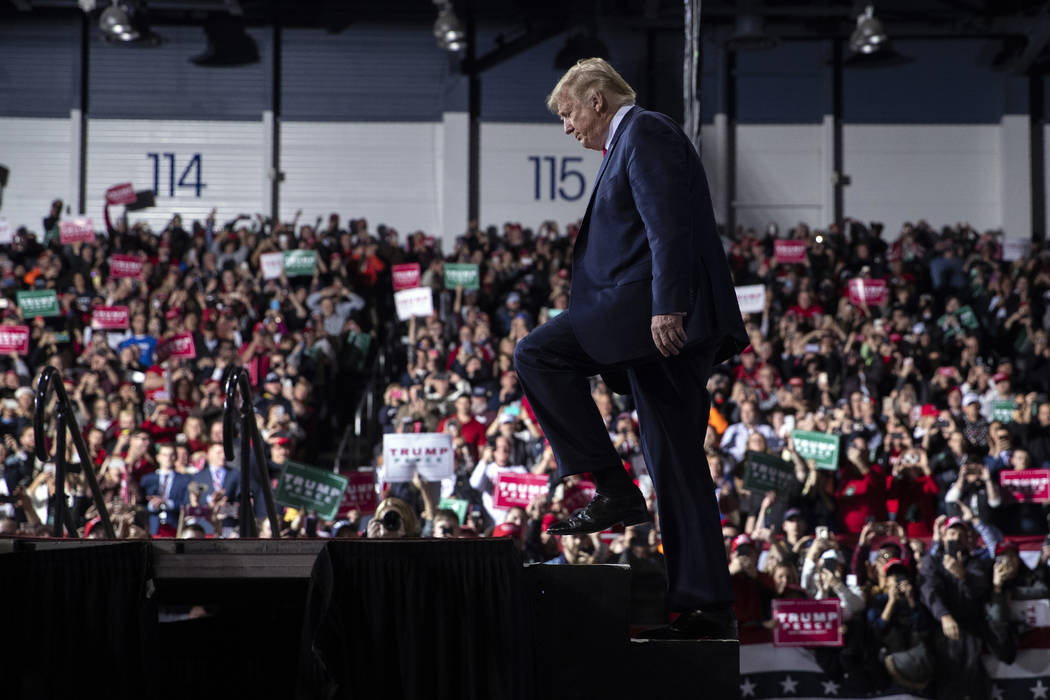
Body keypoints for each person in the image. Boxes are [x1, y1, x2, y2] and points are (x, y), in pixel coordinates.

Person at [514, 58, 748, 640]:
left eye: (567, 114)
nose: (567, 128)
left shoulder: (644, 131)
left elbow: (669, 225)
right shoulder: (633, 140)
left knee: (537, 354)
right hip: (642, 324)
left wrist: (668, 305)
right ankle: (703, 605)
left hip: (653, 321)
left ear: (596, 99)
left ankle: (614, 488)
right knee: (676, 461)